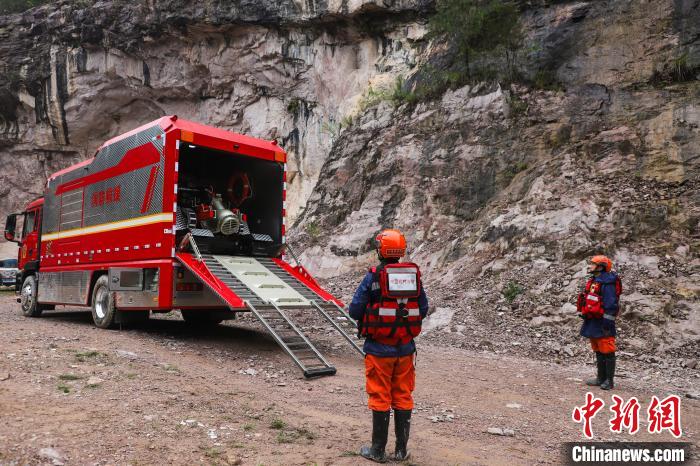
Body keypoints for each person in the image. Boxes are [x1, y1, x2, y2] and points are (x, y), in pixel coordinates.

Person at [349, 229, 429, 463]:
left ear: (380, 250)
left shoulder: (373, 276)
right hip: (405, 349)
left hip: (378, 349)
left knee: (380, 395)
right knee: (403, 395)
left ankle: (377, 451)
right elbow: (423, 308)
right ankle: (401, 451)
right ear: (401, 250)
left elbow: (355, 309)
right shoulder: (413, 276)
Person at [578, 255, 622, 390]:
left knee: (607, 349)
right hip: (593, 319)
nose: (590, 266)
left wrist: (607, 322)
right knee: (597, 348)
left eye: (593, 264)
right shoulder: (595, 280)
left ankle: (609, 381)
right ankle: (600, 378)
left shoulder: (607, 283)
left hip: (603, 321)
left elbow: (610, 304)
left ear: (600, 266)